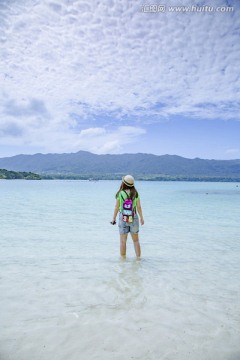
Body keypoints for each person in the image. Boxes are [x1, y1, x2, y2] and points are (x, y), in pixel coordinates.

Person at [111, 175, 144, 258]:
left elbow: (116, 207)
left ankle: (122, 262)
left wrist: (114, 218)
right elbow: (139, 207)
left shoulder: (120, 193)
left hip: (123, 217)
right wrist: (141, 218)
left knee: (123, 242)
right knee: (136, 241)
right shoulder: (135, 194)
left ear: (123, 183)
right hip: (133, 217)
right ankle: (138, 260)